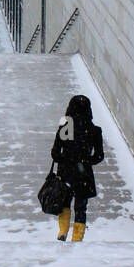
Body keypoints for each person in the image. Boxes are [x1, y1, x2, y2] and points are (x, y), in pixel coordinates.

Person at [51, 94, 104, 242]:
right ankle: (77, 238)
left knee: (64, 202)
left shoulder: (65, 127)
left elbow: (55, 153)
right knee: (81, 207)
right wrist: (85, 161)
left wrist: (66, 159)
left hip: (66, 172)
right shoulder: (95, 131)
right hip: (83, 174)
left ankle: (62, 231)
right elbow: (99, 156)